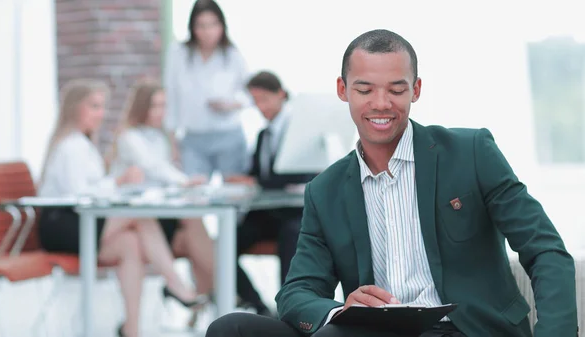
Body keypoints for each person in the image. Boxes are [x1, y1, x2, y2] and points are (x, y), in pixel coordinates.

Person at [205, 29, 578, 337]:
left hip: (465, 330)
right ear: (342, 89)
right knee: (231, 329)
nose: (380, 104)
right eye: (365, 90)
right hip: (370, 332)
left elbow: (545, 250)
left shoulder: (471, 152)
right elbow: (297, 293)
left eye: (396, 90)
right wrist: (340, 311)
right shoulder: (326, 190)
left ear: (416, 89)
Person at [38, 79, 207, 337]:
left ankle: (132, 330)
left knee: (132, 245)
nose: (101, 114)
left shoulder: (86, 145)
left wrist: (118, 184)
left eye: (103, 107)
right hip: (62, 225)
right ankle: (177, 286)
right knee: (139, 216)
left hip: (86, 221)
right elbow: (79, 193)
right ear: (74, 109)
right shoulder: (70, 147)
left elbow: (96, 190)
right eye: (94, 107)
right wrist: (120, 181)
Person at [109, 78, 215, 298]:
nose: (160, 111)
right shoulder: (129, 137)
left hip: (160, 216)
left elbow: (164, 172)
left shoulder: (160, 137)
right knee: (192, 229)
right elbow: (153, 167)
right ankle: (222, 292)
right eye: (155, 105)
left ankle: (211, 296)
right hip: (138, 222)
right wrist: (183, 181)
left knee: (194, 224)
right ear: (142, 107)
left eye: (164, 105)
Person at [225, 71, 316, 316]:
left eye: (264, 99)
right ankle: (259, 307)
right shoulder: (263, 135)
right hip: (267, 213)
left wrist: (257, 180)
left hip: (294, 213)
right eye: (254, 101)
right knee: (225, 243)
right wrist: (243, 179)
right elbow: (257, 172)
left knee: (292, 235)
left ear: (281, 95)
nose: (259, 107)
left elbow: (298, 173)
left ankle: (289, 310)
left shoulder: (300, 129)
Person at [164, 0, 250, 177]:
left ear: (221, 26)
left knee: (232, 192)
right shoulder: (178, 54)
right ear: (193, 28)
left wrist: (231, 105)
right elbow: (171, 98)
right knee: (195, 193)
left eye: (212, 25)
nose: (207, 32)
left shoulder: (233, 55)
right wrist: (172, 143)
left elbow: (250, 95)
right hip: (193, 138)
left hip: (229, 135)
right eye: (201, 26)